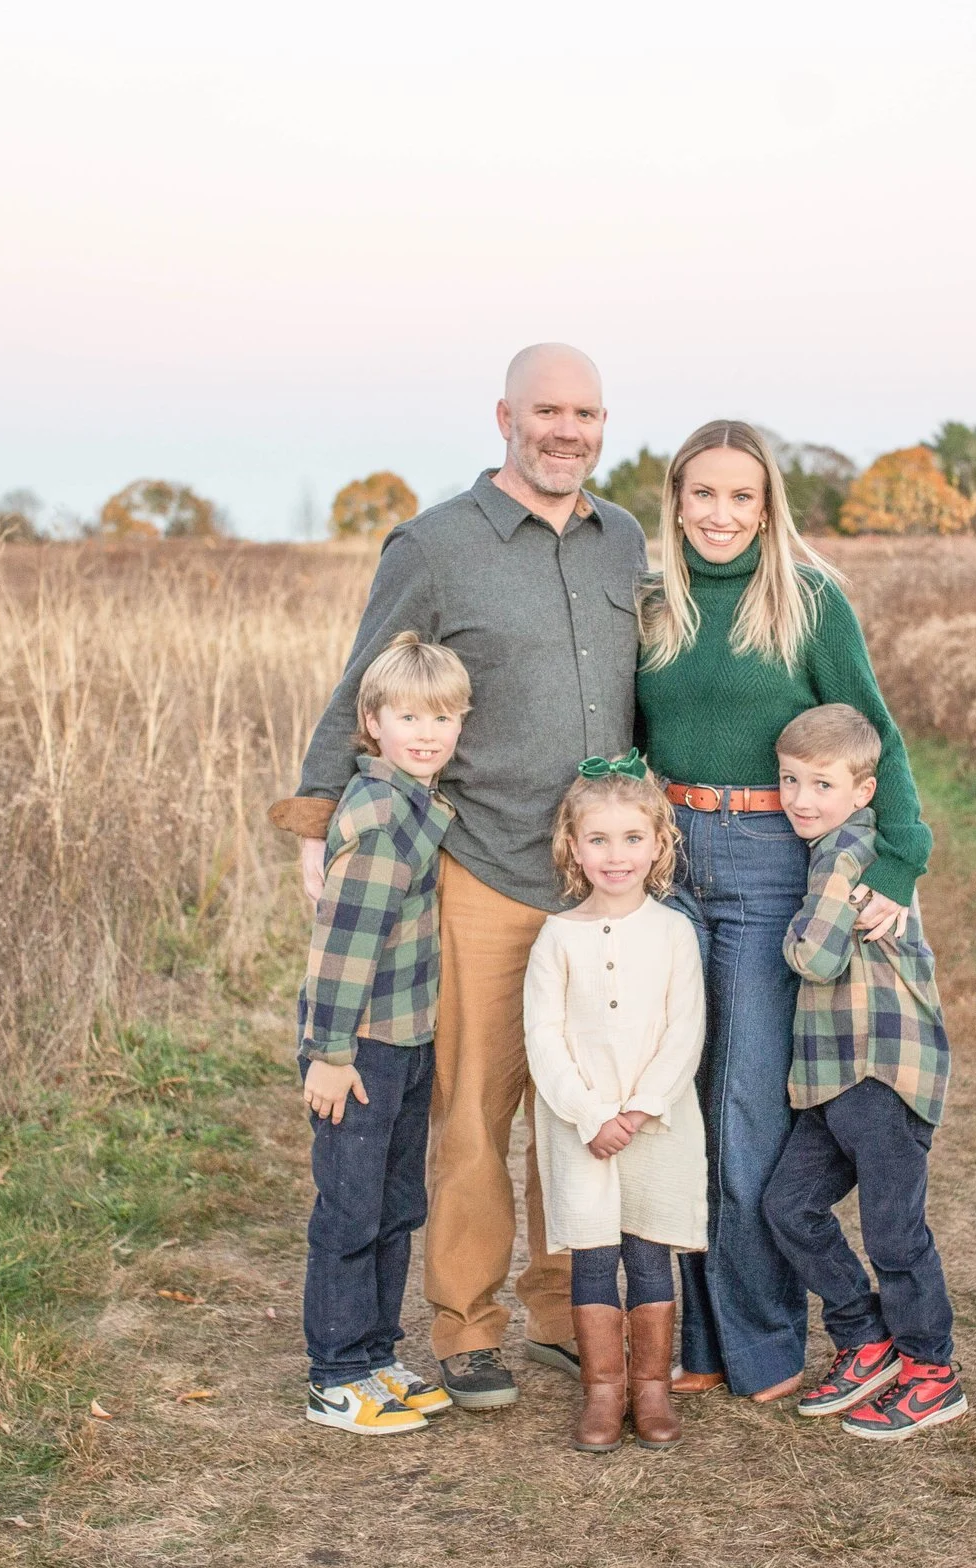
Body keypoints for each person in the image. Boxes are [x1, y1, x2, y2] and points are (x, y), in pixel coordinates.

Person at [273, 344, 645, 1408]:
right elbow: (360, 684)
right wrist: (316, 819)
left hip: (596, 880)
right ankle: (468, 1324)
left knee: (581, 1111)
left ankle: (567, 1308)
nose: (566, 430)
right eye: (546, 411)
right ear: (504, 417)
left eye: (585, 412)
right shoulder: (435, 545)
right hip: (480, 867)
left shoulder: (624, 541)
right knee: (475, 1111)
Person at [631, 421, 929, 1399]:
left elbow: (873, 731)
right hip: (669, 856)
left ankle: (760, 1341)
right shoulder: (650, 604)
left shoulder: (807, 600)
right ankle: (696, 1343)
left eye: (741, 497)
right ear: (675, 499)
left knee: (749, 1107)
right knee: (674, 1101)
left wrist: (899, 854)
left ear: (768, 507)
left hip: (768, 864)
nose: (721, 514)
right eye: (703, 494)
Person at [760, 703, 966, 1440]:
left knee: (894, 1233)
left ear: (863, 790)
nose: (801, 799)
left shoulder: (852, 852)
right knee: (789, 1205)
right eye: (789, 780)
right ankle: (865, 1334)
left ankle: (931, 1372)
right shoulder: (832, 851)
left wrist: (790, 923)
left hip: (880, 1071)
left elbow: (812, 955)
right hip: (830, 1077)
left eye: (821, 782)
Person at [293, 632, 471, 1434]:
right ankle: (335, 1374)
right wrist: (330, 1054)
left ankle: (375, 1352)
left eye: (442, 717)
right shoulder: (377, 814)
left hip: (404, 1041)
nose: (427, 732)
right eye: (409, 716)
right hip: (359, 1049)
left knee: (396, 1204)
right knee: (350, 1210)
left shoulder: (414, 805)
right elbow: (341, 950)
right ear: (372, 721)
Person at [521, 756, 707, 1451]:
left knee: (650, 1252)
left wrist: (638, 1107)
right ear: (571, 846)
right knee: (594, 1256)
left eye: (632, 838)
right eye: (598, 839)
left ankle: (651, 1386)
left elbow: (684, 1030)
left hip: (656, 1126)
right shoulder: (557, 936)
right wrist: (592, 1113)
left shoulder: (673, 933)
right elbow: (545, 1036)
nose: (616, 854)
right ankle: (604, 1388)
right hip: (583, 1128)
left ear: (660, 843)